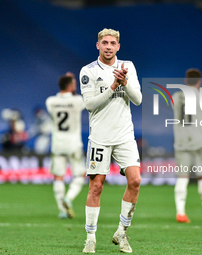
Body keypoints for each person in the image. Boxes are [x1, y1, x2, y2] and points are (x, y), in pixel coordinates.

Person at [80, 28, 142, 253]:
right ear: (98, 46)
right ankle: (90, 237)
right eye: (104, 43)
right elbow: (89, 105)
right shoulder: (88, 71)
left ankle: (122, 232)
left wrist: (124, 82)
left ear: (118, 46)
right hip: (100, 137)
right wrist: (114, 87)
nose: (108, 46)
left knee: (135, 181)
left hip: (125, 135)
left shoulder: (128, 66)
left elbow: (137, 100)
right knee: (96, 186)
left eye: (112, 43)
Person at [172, 68, 202, 223]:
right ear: (199, 81)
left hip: (180, 142)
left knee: (182, 177)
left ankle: (180, 213)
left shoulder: (176, 96)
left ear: (186, 81)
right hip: (198, 142)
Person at [45, 72, 86, 219]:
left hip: (57, 144)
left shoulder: (50, 101)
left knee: (58, 177)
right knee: (80, 175)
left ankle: (62, 210)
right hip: (73, 144)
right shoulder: (77, 100)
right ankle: (68, 198)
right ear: (71, 86)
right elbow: (78, 99)